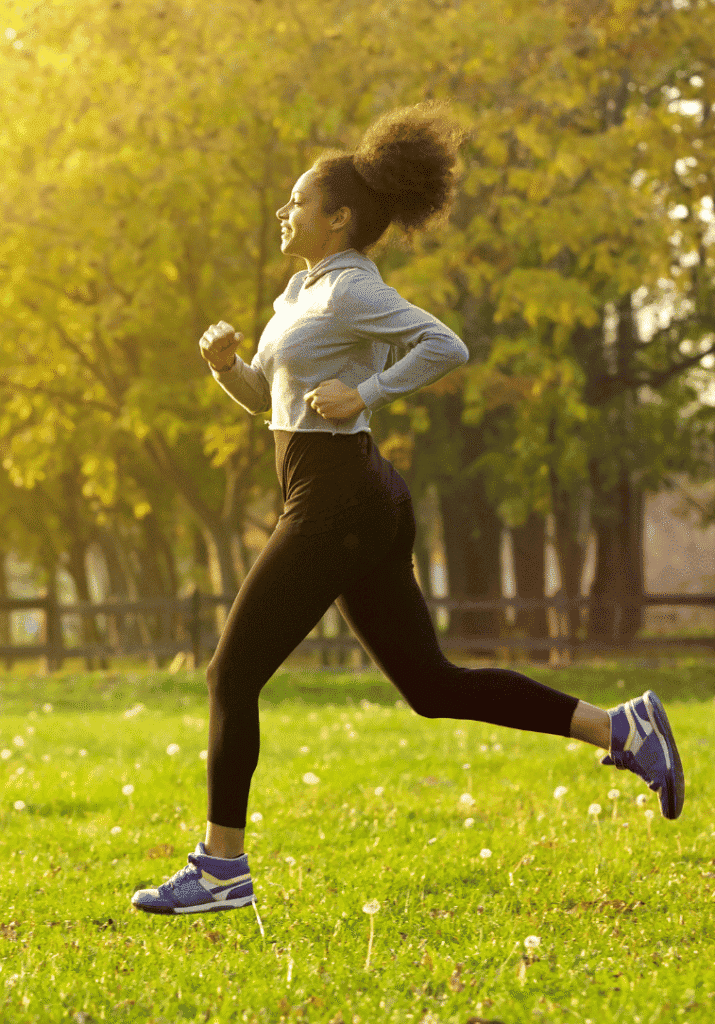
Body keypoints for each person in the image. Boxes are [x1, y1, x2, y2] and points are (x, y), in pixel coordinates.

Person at [131, 105, 684, 916]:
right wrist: (226, 367)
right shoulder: (302, 289)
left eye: (297, 202)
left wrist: (369, 388)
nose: (284, 213)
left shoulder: (353, 287)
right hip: (349, 493)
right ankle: (620, 730)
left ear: (340, 217)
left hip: (337, 501)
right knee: (429, 684)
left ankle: (221, 868)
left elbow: (446, 346)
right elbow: (271, 405)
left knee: (229, 671)